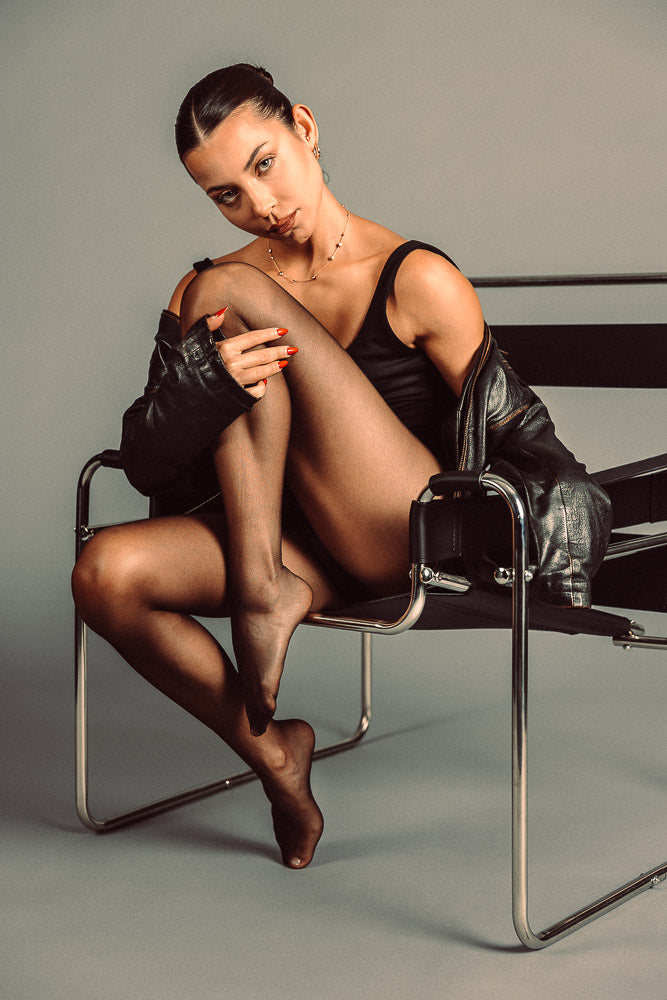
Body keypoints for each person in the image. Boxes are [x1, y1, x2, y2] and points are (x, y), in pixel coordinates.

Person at [71, 63, 611, 870]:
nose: (259, 205)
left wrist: (556, 528)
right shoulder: (208, 291)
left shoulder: (415, 277)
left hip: (399, 537)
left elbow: (525, 436)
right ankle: (274, 752)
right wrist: (203, 391)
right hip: (286, 545)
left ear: (306, 129)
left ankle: (261, 595)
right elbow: (150, 465)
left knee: (232, 295)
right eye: (226, 196)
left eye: (264, 164)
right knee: (103, 573)